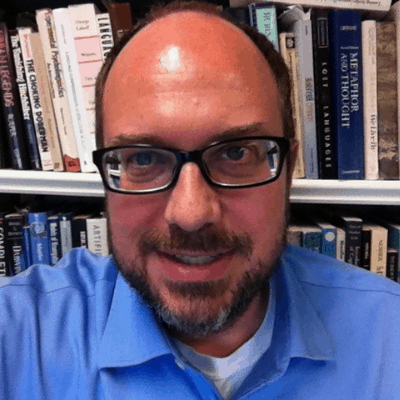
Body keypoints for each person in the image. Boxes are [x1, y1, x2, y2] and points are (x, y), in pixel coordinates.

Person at [1, 1, 400, 399]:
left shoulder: (389, 334)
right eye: (144, 158)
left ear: (288, 169)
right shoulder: (20, 336)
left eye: (236, 153)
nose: (191, 214)